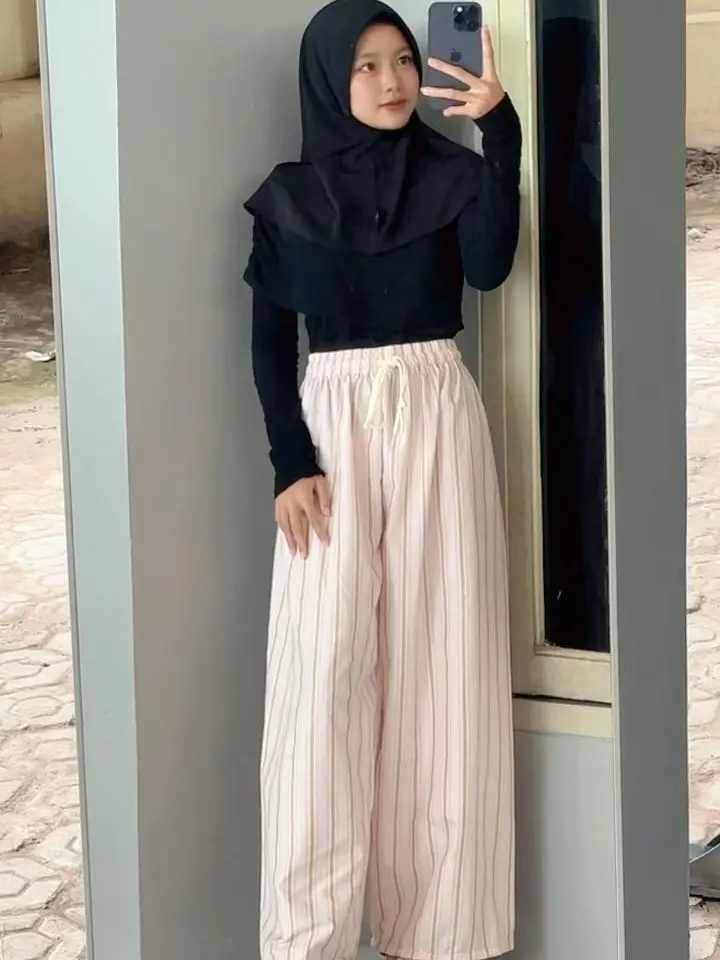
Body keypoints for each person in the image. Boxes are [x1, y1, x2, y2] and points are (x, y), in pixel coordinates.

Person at [244, 1, 521, 957]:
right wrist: (290, 462)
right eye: (366, 65)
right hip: (332, 435)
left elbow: (489, 269)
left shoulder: (453, 175)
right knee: (320, 682)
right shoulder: (288, 198)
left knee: (444, 673)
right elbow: (270, 342)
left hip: (439, 416)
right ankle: (306, 941)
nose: (393, 80)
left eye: (403, 58)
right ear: (329, 78)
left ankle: (438, 936)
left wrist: (499, 128)